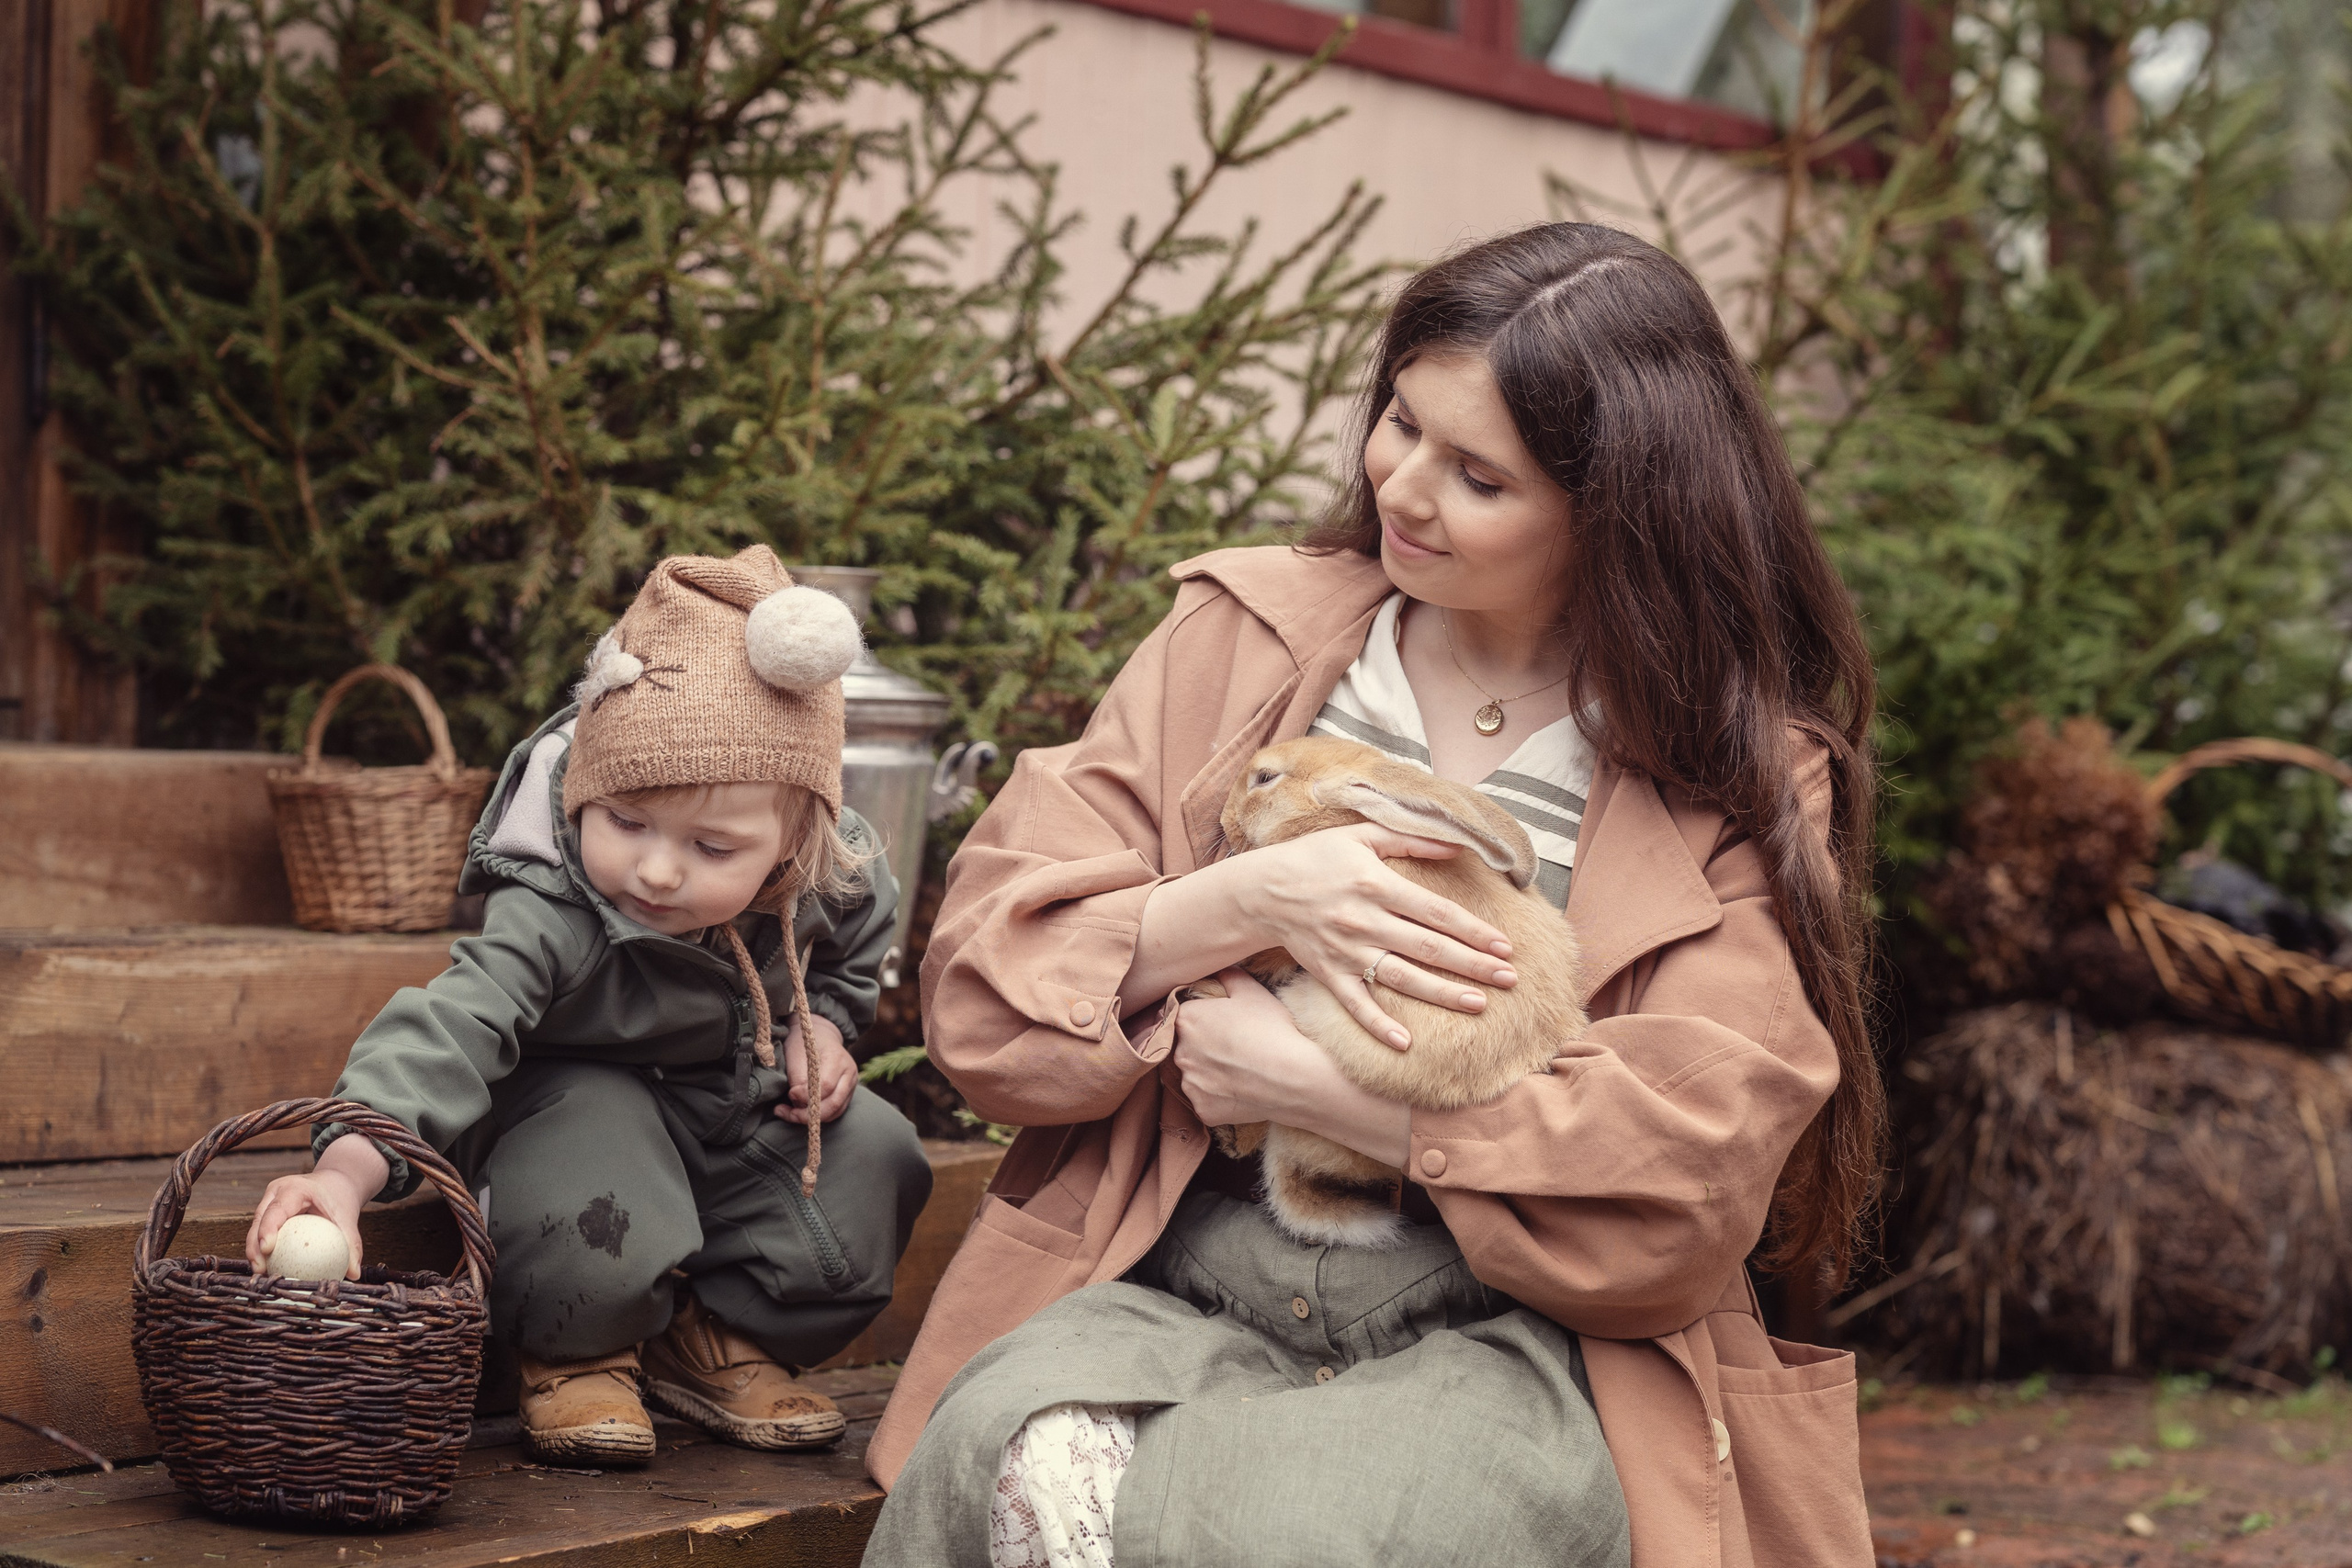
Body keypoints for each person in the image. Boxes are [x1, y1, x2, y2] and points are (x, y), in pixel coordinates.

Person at [863, 223, 1883, 1568]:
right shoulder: (1246, 632)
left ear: (1617, 510)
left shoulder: (1732, 767)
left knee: (1322, 1532)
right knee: (1018, 1458)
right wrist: (1256, 897)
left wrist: (1336, 1095)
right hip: (1175, 1267)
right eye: (1400, 421)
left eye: (1479, 475)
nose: (1403, 485)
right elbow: (990, 988)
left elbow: (1688, 1170)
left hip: (1518, 1329)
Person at [243, 545, 934, 1468]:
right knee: (600, 1146)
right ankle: (578, 1350)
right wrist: (346, 1175)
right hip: (569, 1119)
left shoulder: (830, 872)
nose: (654, 869)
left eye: (711, 847)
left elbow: (853, 953)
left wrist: (825, 1026)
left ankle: (712, 1340)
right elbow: (452, 1026)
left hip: (727, 1103)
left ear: (790, 844)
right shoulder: (554, 911)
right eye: (626, 822)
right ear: (584, 794)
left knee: (876, 1153)